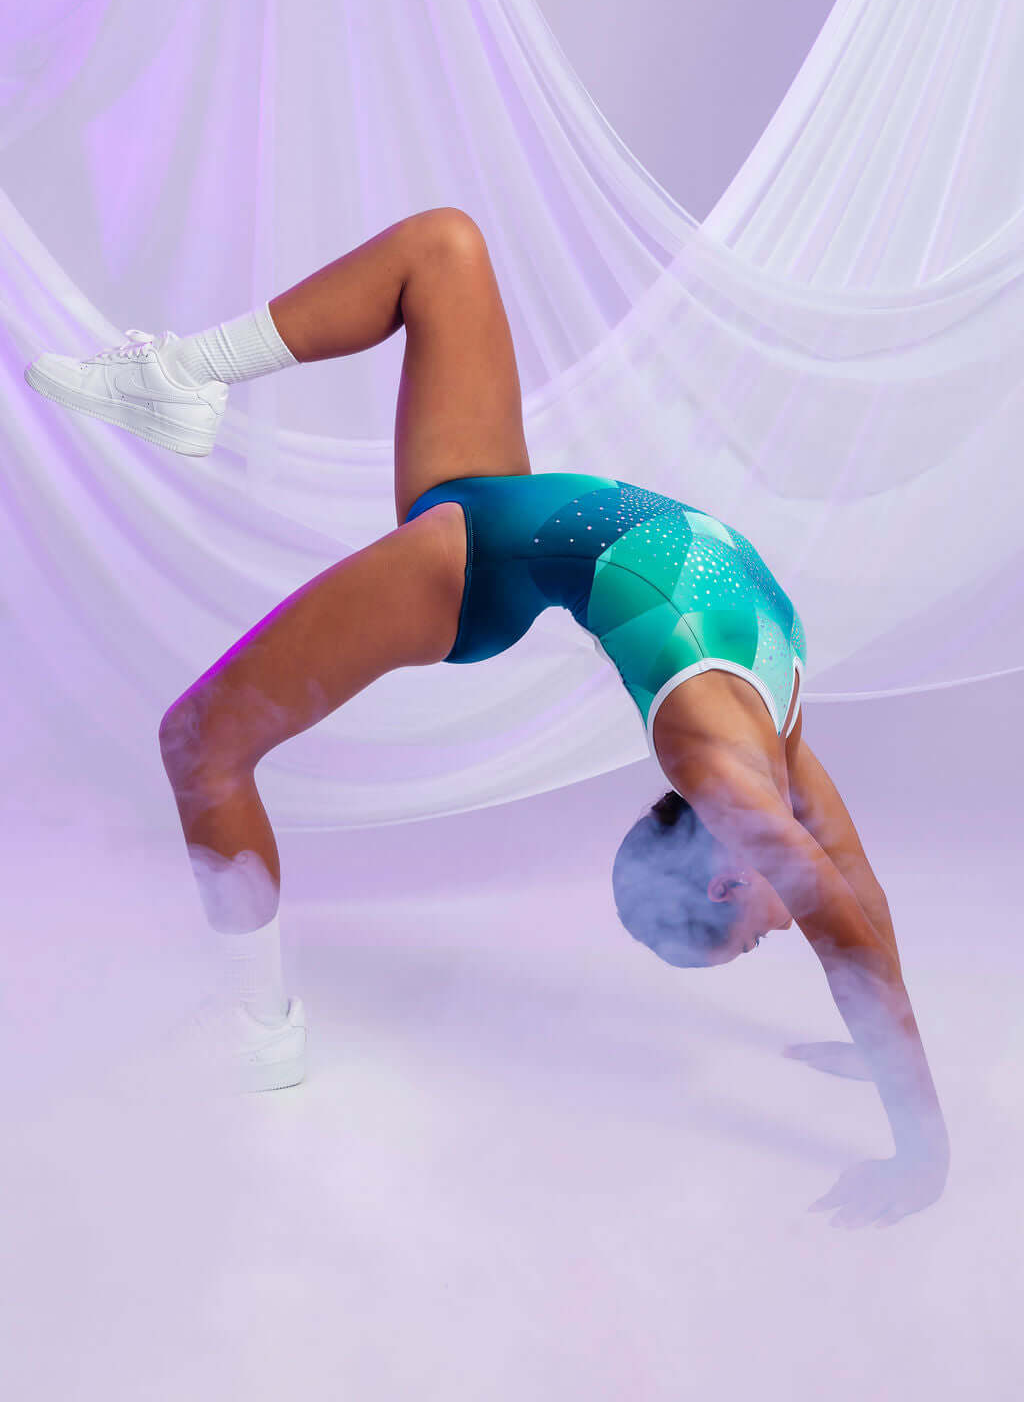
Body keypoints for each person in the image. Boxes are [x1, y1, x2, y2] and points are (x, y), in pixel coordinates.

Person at [25, 207, 949, 1227]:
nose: (776, 929)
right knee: (444, 246)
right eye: (745, 939)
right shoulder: (731, 767)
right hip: (478, 528)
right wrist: (922, 1152)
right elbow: (846, 926)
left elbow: (851, 911)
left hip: (483, 555)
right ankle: (184, 376)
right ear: (726, 868)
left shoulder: (770, 726)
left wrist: (874, 1051)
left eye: (748, 940)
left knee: (200, 742)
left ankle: (262, 1032)